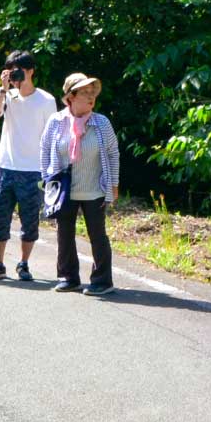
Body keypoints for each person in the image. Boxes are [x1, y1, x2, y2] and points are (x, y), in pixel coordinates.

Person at [40, 73, 120, 295]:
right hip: (64, 190)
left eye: (92, 92)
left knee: (97, 234)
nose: (90, 97)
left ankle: (102, 280)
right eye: (84, 92)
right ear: (70, 97)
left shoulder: (101, 122)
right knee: (64, 233)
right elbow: (44, 149)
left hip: (95, 188)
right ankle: (69, 277)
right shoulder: (56, 121)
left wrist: (114, 184)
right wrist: (46, 179)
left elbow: (113, 154)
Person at [0, 50, 58, 282]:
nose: (15, 75)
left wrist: (51, 170)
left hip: (33, 170)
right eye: (11, 70)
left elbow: (52, 136)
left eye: (19, 70)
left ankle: (24, 263)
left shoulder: (45, 100)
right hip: (5, 167)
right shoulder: (7, 96)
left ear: (31, 71)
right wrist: (3, 90)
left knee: (30, 221)